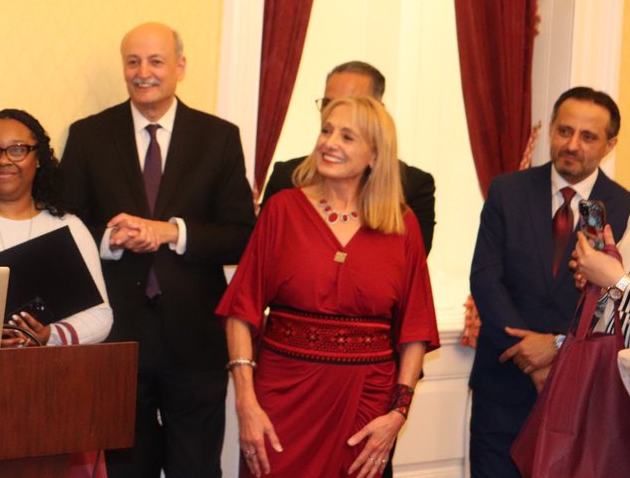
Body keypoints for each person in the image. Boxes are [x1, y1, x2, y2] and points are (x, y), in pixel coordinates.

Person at [60, 22, 256, 477]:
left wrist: (172, 232)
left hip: (195, 341)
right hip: (118, 337)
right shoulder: (90, 135)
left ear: (180, 67)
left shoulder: (219, 137)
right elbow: (66, 228)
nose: (143, 72)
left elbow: (242, 235)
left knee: (196, 468)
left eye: (155, 61)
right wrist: (111, 239)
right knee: (127, 470)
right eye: (133, 62)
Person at [220, 96, 437, 477]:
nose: (329, 142)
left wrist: (398, 414)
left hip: (366, 406)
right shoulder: (282, 210)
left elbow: (415, 329)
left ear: (374, 155)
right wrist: (246, 402)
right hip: (281, 402)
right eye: (326, 130)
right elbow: (241, 310)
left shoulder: (402, 225)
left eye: (347, 136)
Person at [469, 86, 630, 477]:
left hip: (579, 397)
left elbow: (611, 305)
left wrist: (556, 348)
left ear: (610, 144)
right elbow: (486, 278)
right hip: (504, 383)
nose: (571, 144)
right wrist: (527, 353)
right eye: (564, 130)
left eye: (587, 136)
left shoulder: (623, 206)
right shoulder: (507, 191)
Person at [0, 108, 112, 346]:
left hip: (40, 374)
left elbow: (101, 316)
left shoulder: (68, 227)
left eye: (17, 149)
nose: (4, 159)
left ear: (37, 158)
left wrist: (50, 336)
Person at [261, 60, 436, 254]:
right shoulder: (287, 179)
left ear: (378, 112)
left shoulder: (413, 187)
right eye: (328, 103)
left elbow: (411, 270)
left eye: (352, 104)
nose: (336, 112)